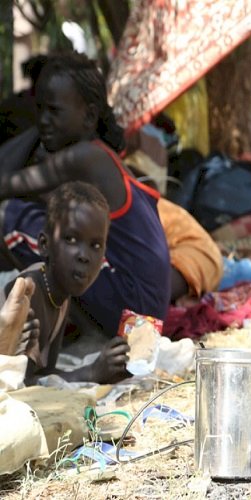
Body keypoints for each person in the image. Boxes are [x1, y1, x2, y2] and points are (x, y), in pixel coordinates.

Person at [0, 52, 171, 352]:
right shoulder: (101, 159)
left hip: (132, 311)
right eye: (39, 110)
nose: (43, 121)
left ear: (90, 116)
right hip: (143, 317)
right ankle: (76, 328)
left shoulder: (87, 158)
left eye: (53, 111)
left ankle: (63, 336)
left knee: (6, 217)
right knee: (54, 231)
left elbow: (4, 183)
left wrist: (33, 133)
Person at [6, 182, 129, 384]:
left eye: (95, 245)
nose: (84, 256)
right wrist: (91, 373)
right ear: (44, 245)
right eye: (71, 239)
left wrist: (106, 370)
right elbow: (19, 384)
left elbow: (45, 371)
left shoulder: (60, 294)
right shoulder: (30, 293)